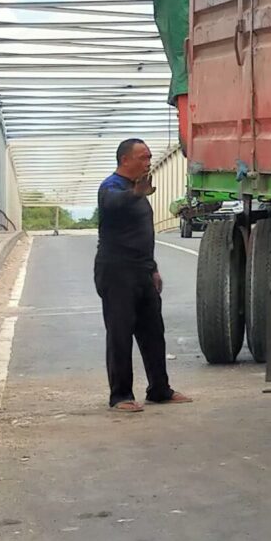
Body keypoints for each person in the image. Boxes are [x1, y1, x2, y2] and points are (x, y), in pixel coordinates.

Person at [97, 139, 189, 412]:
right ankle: (120, 395)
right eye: (143, 157)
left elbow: (142, 236)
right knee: (120, 333)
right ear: (125, 160)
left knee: (153, 332)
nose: (148, 162)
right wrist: (136, 194)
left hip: (142, 270)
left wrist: (153, 269)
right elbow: (112, 204)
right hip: (116, 271)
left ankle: (159, 389)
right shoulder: (111, 186)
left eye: (150, 157)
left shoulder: (138, 190)